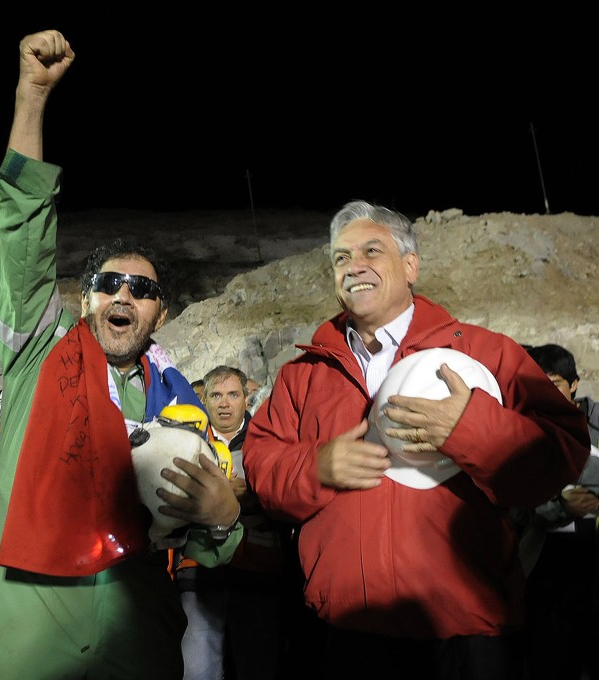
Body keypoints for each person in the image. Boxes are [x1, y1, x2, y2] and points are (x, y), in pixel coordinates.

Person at [0, 30, 242, 680]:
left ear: (160, 312)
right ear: (85, 299)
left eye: (143, 289)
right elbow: (22, 227)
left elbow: (209, 546)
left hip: (138, 649)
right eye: (109, 284)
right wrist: (31, 98)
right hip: (29, 652)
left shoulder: (180, 405)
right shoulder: (42, 350)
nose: (125, 294)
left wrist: (225, 518)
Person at [243, 200, 591, 680]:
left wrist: (469, 429)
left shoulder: (485, 353)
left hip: (465, 633)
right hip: (347, 629)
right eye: (340, 258)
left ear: (410, 266)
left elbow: (562, 453)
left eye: (371, 250)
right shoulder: (301, 376)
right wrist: (315, 468)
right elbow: (263, 467)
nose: (354, 266)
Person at [178, 365, 294, 680]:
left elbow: (291, 496)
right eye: (216, 395)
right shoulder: (187, 442)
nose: (224, 403)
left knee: (257, 667)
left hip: (259, 573)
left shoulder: (270, 441)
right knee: (198, 671)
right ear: (205, 401)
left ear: (246, 398)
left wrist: (254, 494)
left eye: (233, 395)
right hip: (199, 575)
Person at [519, 343, 599, 679]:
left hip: (590, 550)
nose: (547, 394)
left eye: (554, 384)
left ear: (574, 384)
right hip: (540, 555)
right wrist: (556, 508)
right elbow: (511, 501)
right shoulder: (519, 430)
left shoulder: (595, 427)